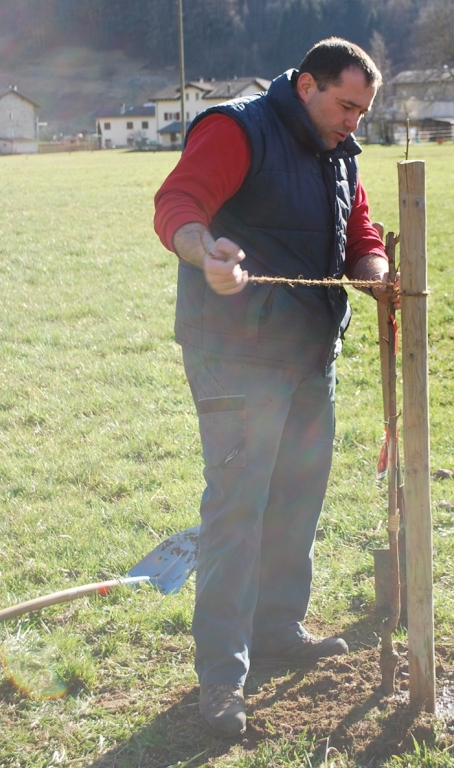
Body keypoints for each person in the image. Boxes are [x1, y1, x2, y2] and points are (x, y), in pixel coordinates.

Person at [154, 37, 398, 739]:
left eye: (362, 111)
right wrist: (206, 253)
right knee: (238, 509)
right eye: (345, 105)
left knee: (298, 495)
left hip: (310, 355)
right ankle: (221, 678)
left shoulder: (339, 151)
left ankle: (278, 631)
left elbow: (359, 232)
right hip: (236, 356)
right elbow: (178, 204)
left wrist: (377, 274)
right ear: (306, 86)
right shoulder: (238, 128)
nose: (353, 121)